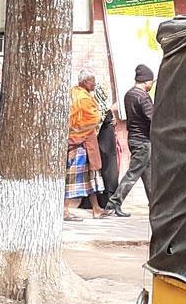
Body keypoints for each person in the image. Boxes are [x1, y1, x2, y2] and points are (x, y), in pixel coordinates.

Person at [110, 64, 155, 217]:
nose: (151, 85)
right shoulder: (143, 97)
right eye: (151, 82)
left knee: (148, 175)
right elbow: (152, 118)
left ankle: (155, 205)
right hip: (143, 140)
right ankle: (114, 203)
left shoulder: (129, 94)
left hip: (133, 138)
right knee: (133, 174)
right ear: (146, 81)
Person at [66, 74, 105, 219]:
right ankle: (65, 210)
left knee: (92, 176)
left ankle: (96, 208)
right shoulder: (80, 97)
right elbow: (90, 119)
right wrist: (99, 116)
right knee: (73, 176)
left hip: (87, 140)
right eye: (92, 82)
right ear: (84, 82)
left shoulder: (81, 95)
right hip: (79, 142)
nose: (94, 84)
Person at [93, 76, 120, 208]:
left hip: (104, 144)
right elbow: (100, 121)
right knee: (108, 171)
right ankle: (108, 200)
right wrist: (110, 111)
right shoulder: (101, 108)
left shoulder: (102, 108)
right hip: (104, 145)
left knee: (107, 170)